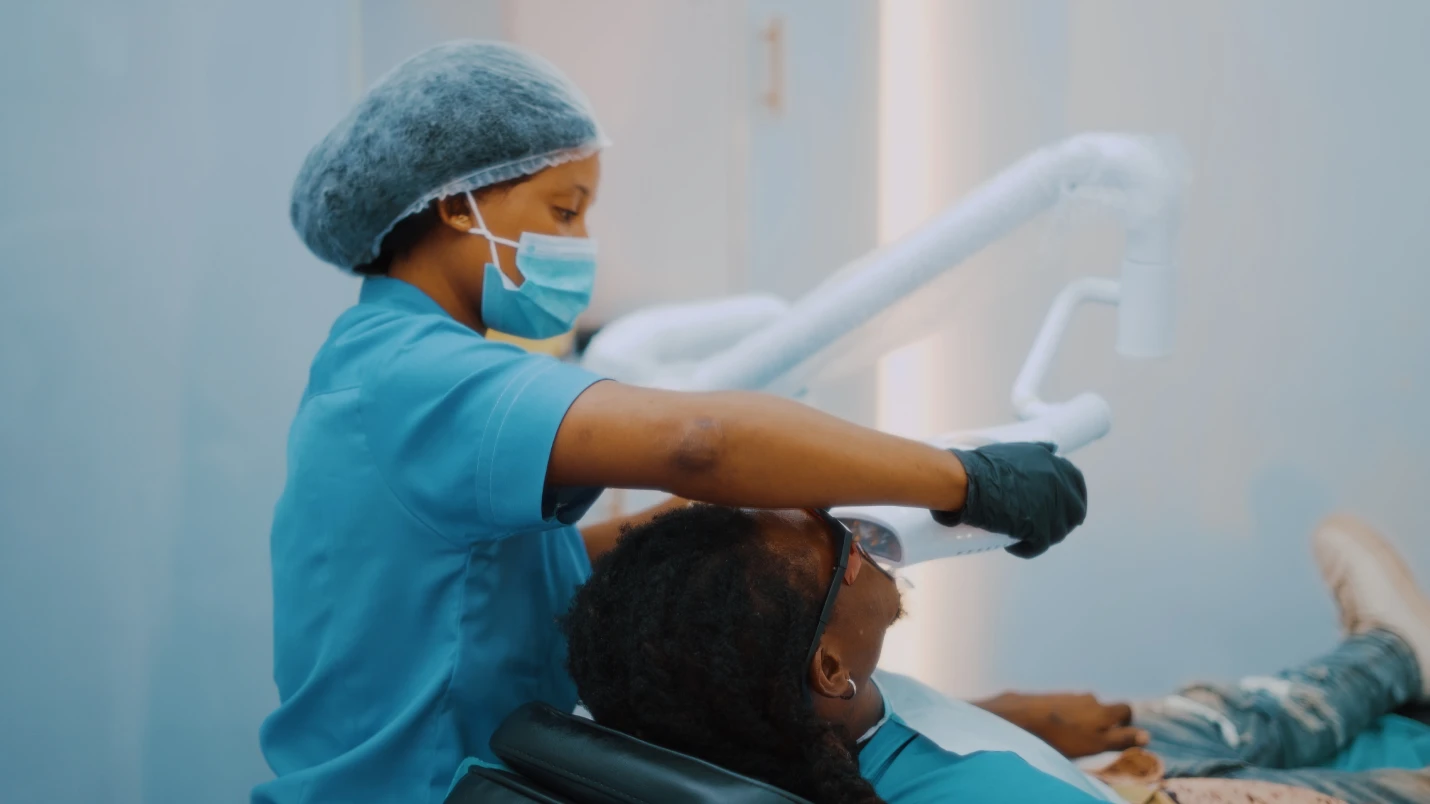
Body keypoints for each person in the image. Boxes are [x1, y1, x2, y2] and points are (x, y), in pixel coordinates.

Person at [258, 40, 1088, 804]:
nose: (580, 240)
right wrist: (963, 478)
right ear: (456, 203)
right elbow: (700, 444)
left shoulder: (377, 364)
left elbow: (496, 577)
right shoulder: (417, 378)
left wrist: (729, 523)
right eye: (563, 209)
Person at [560, 508, 1430, 804]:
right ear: (829, 668)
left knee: (1199, 713)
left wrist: (1010, 717)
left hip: (1084, 769)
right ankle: (1389, 660)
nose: (865, 539)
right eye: (842, 544)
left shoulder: (787, 720)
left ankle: (1386, 658)